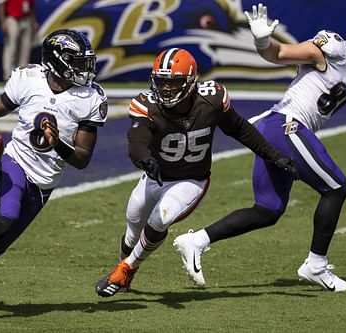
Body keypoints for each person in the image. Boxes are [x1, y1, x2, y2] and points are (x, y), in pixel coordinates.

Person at [173, 3, 346, 292]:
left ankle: (196, 240)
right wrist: (263, 40)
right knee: (336, 188)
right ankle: (316, 264)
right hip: (286, 125)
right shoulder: (333, 49)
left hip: (276, 131)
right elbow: (279, 54)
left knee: (268, 209)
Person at [95, 47, 298, 297]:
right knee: (133, 226)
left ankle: (127, 269)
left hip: (190, 179)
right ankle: (124, 273)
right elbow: (137, 139)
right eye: (161, 82)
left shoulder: (210, 100)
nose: (166, 89)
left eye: (174, 82)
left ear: (190, 82)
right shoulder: (147, 105)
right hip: (154, 175)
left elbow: (240, 129)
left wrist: (273, 154)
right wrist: (144, 159)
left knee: (161, 218)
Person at [0, 29, 107, 322]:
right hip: (15, 162)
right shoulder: (29, 80)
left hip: (45, 182)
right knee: (4, 220)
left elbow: (82, 159)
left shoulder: (90, 98)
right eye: (75, 62)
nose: (83, 69)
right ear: (57, 61)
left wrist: (58, 144)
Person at [0, 0, 37, 80]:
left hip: (26, 18)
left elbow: (31, 7)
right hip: (12, 18)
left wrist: (33, 23)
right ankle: (8, 75)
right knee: (11, 48)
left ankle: (22, 76)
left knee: (25, 50)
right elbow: (1, 4)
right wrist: (3, 22)